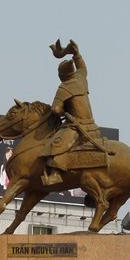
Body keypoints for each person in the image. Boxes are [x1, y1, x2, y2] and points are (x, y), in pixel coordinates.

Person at [43, 39, 109, 186]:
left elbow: (55, 109)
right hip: (93, 127)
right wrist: (76, 54)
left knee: (56, 144)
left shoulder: (64, 87)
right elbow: (83, 68)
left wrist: (61, 110)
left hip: (77, 128)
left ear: (61, 76)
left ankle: (55, 174)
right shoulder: (81, 79)